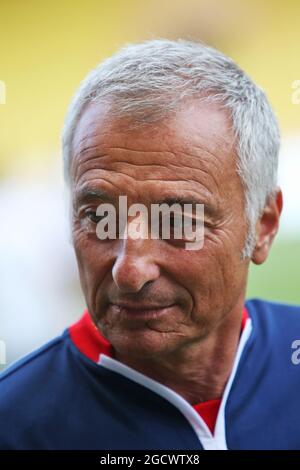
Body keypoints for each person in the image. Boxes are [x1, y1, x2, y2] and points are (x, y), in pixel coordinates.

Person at [0, 39, 299, 450]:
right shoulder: (15, 425)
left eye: (178, 221)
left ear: (263, 225)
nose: (130, 270)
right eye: (99, 217)